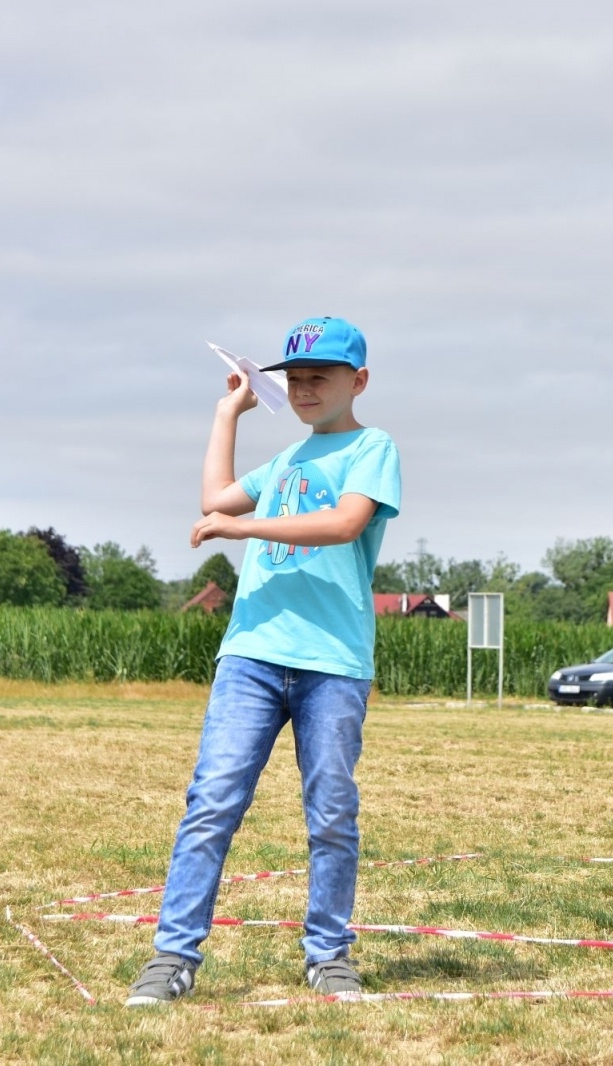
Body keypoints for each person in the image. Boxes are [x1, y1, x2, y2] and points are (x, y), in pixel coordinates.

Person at [127, 317, 402, 1005]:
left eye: (320, 377)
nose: (304, 389)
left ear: (357, 381)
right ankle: (172, 957)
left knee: (331, 811)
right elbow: (214, 500)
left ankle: (329, 956)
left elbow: (342, 523)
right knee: (212, 802)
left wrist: (242, 527)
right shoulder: (282, 465)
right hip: (251, 656)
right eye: (295, 379)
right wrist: (230, 411)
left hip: (333, 663)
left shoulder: (372, 448)